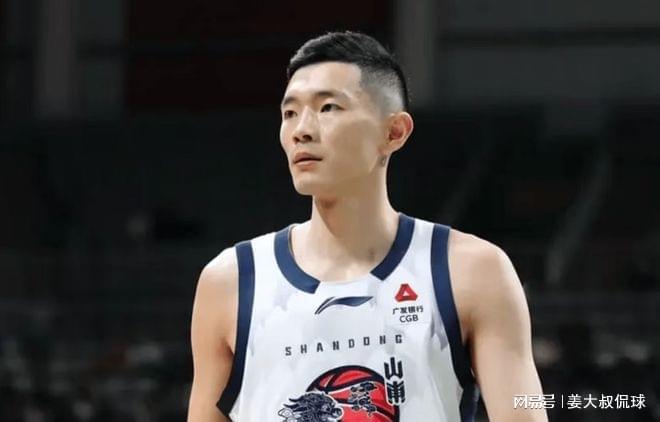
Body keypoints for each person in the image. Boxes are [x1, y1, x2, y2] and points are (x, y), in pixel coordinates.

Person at [187, 31, 547, 422]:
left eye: (328, 107)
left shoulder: (472, 270)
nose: (301, 129)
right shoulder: (231, 281)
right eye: (290, 113)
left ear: (394, 132)